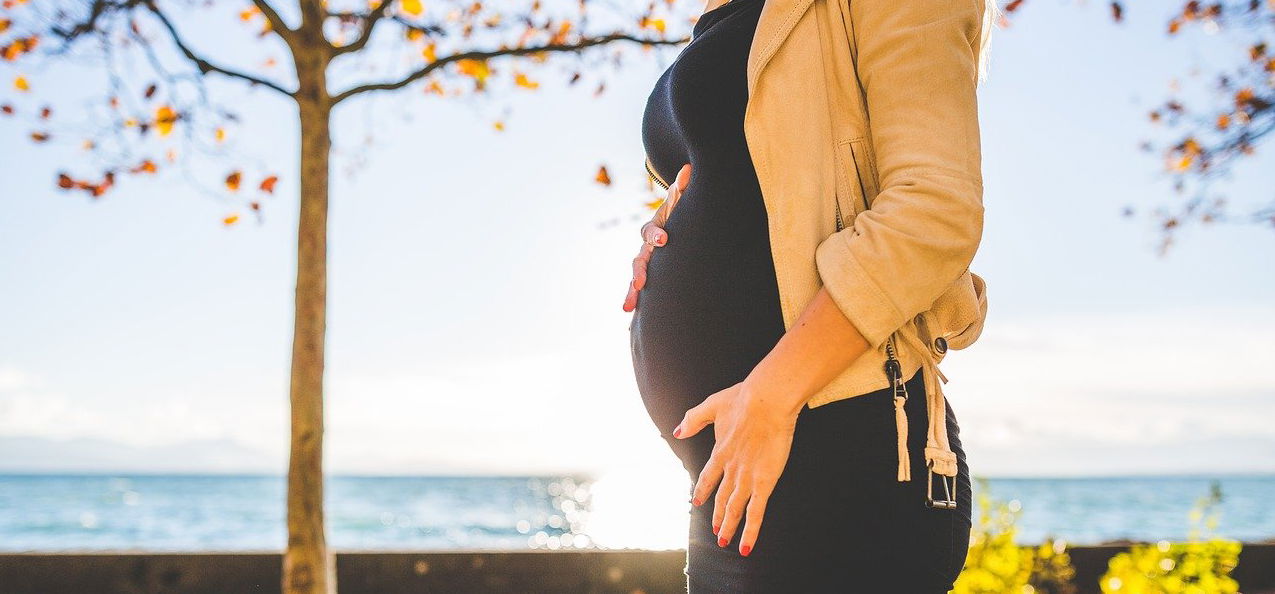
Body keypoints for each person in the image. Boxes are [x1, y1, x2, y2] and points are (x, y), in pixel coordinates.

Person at [622, 0, 998, 591]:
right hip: (737, 475)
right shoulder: (729, 15)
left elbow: (935, 210)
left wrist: (772, 394)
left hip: (840, 456)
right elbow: (755, 185)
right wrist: (666, 225)